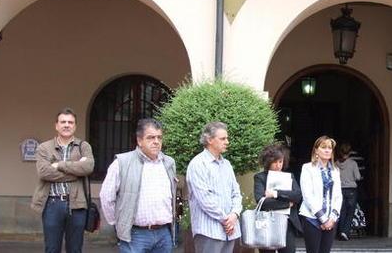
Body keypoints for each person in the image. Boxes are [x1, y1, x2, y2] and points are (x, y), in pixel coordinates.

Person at [100, 118, 177, 253]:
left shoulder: (168, 163)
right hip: (136, 235)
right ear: (139, 140)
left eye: (159, 137)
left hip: (164, 233)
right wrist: (118, 224)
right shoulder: (122, 163)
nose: (156, 142)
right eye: (151, 138)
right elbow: (106, 196)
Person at [31, 108, 94, 253]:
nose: (66, 125)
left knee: (75, 249)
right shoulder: (44, 148)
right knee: (52, 248)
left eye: (70, 122)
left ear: (75, 126)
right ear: (56, 125)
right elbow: (44, 172)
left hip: (77, 205)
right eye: (63, 122)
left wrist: (59, 165)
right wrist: (76, 170)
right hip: (52, 204)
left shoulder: (84, 146)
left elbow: (88, 167)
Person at [186, 121, 242, 253]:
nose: (227, 142)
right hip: (209, 231)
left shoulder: (226, 164)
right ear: (209, 140)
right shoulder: (198, 164)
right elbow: (205, 199)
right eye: (223, 138)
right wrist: (226, 220)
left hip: (229, 231)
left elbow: (236, 193)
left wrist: (234, 215)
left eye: (227, 138)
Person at [253, 144, 302, 253]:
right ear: (268, 162)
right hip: (267, 222)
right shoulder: (260, 177)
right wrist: (286, 203)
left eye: (280, 162)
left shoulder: (289, 176)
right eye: (275, 162)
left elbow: (297, 196)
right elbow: (262, 201)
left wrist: (276, 194)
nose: (278, 165)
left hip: (287, 222)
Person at [299, 135, 342, 253]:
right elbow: (307, 195)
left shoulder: (335, 170)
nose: (327, 150)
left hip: (331, 219)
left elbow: (338, 196)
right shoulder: (307, 168)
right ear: (316, 150)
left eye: (330, 148)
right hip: (312, 218)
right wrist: (323, 219)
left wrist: (332, 219)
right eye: (324, 147)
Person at [335, 142, 361, 241]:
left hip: (340, 189)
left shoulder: (336, 163)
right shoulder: (353, 163)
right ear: (349, 152)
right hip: (351, 190)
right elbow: (357, 177)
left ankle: (340, 231)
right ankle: (345, 232)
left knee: (341, 211)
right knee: (350, 212)